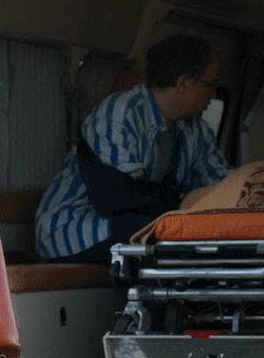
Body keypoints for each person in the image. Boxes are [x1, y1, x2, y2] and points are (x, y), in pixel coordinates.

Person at [34, 32, 231, 263]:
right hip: (76, 228)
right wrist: (183, 200)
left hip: (132, 224)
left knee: (194, 236)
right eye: (210, 85)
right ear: (184, 84)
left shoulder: (195, 130)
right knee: (165, 238)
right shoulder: (119, 114)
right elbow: (115, 199)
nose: (213, 95)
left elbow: (222, 183)